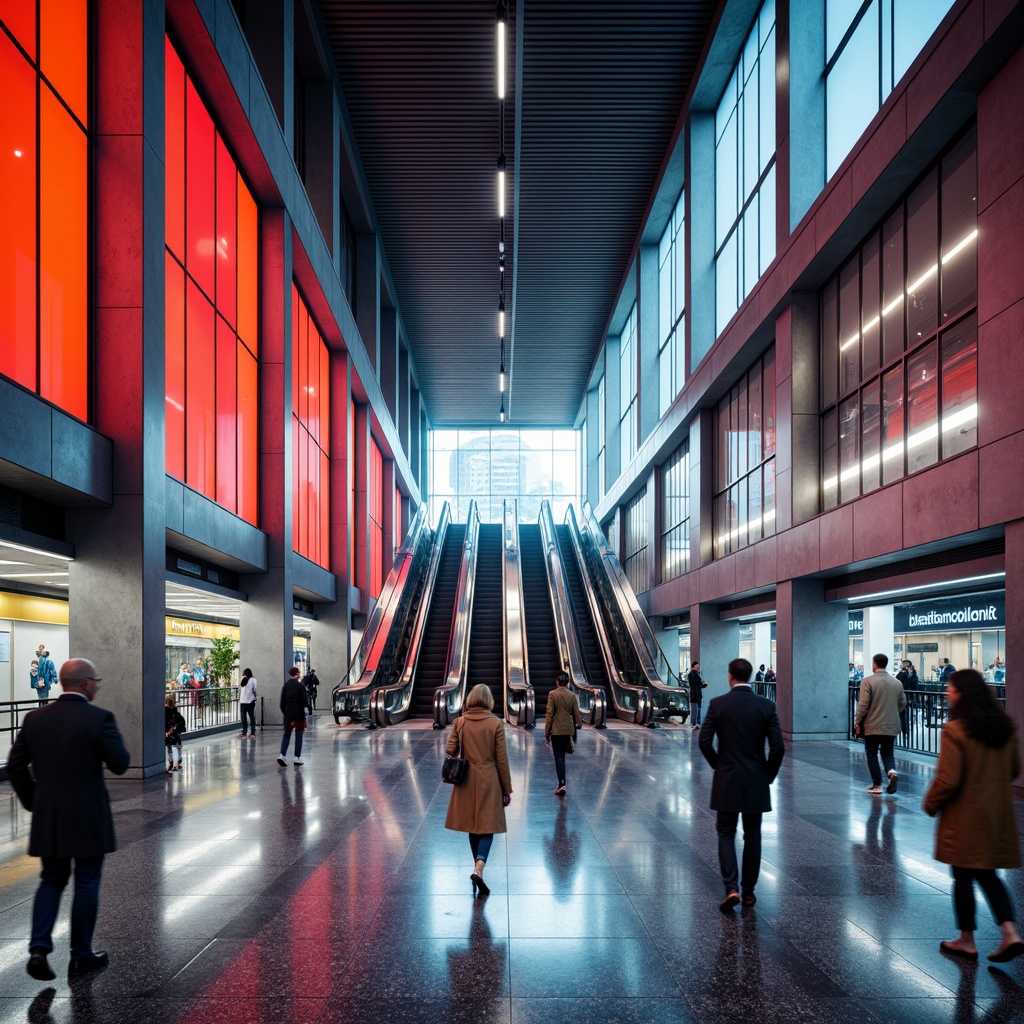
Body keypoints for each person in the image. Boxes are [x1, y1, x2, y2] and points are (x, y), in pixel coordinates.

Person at [6, 658, 131, 981]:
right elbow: (119, 764)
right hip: (88, 814)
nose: (98, 686)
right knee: (87, 881)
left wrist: (34, 801)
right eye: (97, 681)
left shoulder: (34, 718)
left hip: (49, 815)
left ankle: (38, 949)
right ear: (86, 683)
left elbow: (15, 766)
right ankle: (81, 955)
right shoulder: (99, 718)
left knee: (51, 879)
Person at [924, 669, 1024, 963]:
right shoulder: (1003, 728)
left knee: (963, 875)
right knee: (988, 873)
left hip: (965, 815)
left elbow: (948, 779)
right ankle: (1010, 932)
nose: (947, 693)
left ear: (964, 694)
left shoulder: (956, 730)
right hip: (996, 812)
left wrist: (930, 803)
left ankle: (967, 940)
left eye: (951, 689)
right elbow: (1013, 770)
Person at [699, 658, 785, 910]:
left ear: (730, 676)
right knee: (753, 835)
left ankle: (732, 888)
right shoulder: (766, 706)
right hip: (756, 779)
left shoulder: (718, 705)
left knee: (726, 833)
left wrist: (719, 766)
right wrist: (767, 775)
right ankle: (749, 891)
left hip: (727, 779)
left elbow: (704, 742)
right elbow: (778, 748)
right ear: (749, 676)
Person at [444, 683, 513, 896]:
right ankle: (479, 867)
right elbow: (501, 759)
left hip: (466, 779)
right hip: (489, 778)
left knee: (473, 826)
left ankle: (477, 870)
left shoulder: (460, 722)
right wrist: (506, 789)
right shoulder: (495, 724)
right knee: (487, 826)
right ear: (488, 700)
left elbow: (450, 750)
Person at [854, 653, 907, 795]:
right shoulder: (897, 683)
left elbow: (863, 705)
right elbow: (902, 703)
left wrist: (858, 721)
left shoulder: (868, 682)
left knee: (871, 753)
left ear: (874, 664)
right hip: (891, 725)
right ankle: (891, 773)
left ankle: (877, 785)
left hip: (873, 725)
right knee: (888, 752)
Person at [544, 671, 581, 795]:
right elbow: (576, 712)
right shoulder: (572, 695)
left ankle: (562, 784)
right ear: (568, 682)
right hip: (567, 729)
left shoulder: (552, 694)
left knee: (559, 757)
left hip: (557, 730)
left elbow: (550, 714)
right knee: (563, 756)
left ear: (557, 682)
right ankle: (562, 783)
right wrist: (578, 725)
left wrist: (547, 732)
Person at [278, 666, 311, 767]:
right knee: (298, 735)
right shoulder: (300, 686)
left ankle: (282, 755)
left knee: (286, 735)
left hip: (288, 714)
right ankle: (297, 757)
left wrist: (286, 712)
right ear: (297, 674)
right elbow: (304, 701)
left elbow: (281, 703)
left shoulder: (286, 686)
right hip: (298, 715)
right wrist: (308, 707)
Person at [164, 695, 186, 773]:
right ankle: (179, 761)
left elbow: (164, 722)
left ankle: (171, 762)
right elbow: (182, 721)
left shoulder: (165, 712)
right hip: (175, 734)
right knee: (178, 747)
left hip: (168, 734)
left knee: (169, 748)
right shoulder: (176, 712)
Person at [686, 661, 707, 731]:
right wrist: (703, 683)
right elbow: (697, 683)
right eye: (697, 666)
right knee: (695, 709)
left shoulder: (696, 674)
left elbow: (699, 684)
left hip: (697, 694)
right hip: (695, 694)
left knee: (698, 708)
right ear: (693, 666)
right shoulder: (693, 674)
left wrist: (703, 684)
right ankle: (694, 724)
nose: (698, 668)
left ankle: (696, 723)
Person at [238, 668, 258, 737]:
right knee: (251, 716)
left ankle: (244, 731)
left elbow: (239, 688)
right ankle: (252, 732)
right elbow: (255, 689)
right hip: (250, 701)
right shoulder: (253, 680)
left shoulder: (243, 680)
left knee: (244, 717)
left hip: (243, 701)